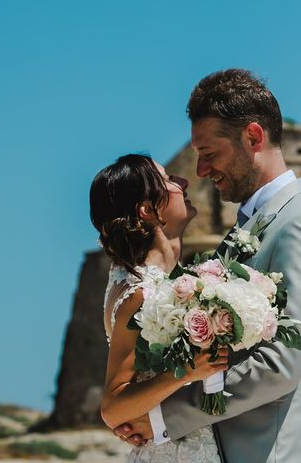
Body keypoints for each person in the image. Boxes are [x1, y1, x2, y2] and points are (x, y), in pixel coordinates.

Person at [113, 69, 301, 463]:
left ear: (253, 137)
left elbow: (279, 364)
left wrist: (165, 417)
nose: (201, 171)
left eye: (209, 154)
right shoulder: (247, 226)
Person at [90, 154, 228, 462]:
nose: (183, 181)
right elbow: (113, 408)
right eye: (168, 180)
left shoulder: (148, 279)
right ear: (147, 209)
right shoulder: (141, 293)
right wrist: (186, 373)